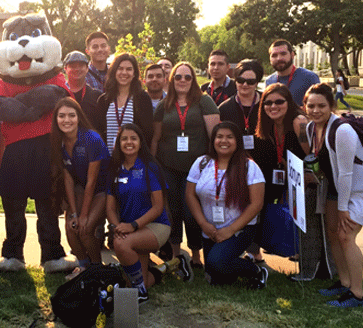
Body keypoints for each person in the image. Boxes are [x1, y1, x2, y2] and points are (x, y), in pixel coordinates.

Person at [305, 83, 363, 308]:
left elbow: (347, 173)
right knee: (333, 233)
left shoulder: (342, 130)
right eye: (311, 105)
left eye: (322, 105)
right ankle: (344, 281)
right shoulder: (311, 128)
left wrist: (343, 208)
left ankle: (357, 295)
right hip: (336, 186)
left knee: (346, 236)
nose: (316, 110)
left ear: (332, 105)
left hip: (360, 188)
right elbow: (325, 163)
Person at [150, 61, 220, 271]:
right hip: (167, 166)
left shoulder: (204, 102)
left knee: (192, 211)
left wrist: (216, 165)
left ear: (193, 80)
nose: (182, 81)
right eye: (178, 77)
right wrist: (152, 167)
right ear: (171, 80)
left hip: (197, 169)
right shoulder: (164, 104)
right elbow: (155, 138)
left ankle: (196, 252)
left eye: (187, 77)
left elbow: (215, 136)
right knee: (172, 210)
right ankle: (175, 254)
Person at [185, 121, 267, 288]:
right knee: (217, 278)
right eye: (219, 137)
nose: (224, 141)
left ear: (238, 141)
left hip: (239, 229)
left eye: (230, 137)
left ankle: (257, 272)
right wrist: (203, 224)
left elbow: (256, 204)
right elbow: (190, 195)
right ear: (213, 140)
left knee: (217, 264)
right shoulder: (201, 163)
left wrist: (230, 230)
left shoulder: (249, 166)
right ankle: (227, 263)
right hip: (210, 229)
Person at [107, 124, 170, 302]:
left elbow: (158, 207)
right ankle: (170, 267)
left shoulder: (150, 167)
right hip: (129, 230)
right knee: (136, 281)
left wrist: (133, 226)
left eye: (133, 138)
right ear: (118, 143)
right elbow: (110, 208)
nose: (129, 142)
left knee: (121, 245)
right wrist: (115, 227)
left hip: (155, 226)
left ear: (141, 143)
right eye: (124, 139)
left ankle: (141, 293)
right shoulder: (114, 169)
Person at [50, 97, 109, 280]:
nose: (66, 120)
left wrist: (83, 215)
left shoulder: (91, 138)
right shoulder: (58, 140)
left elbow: (93, 181)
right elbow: (67, 178)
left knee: (85, 228)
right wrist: (74, 213)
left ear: (78, 117)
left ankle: (97, 270)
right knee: (71, 227)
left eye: (71, 115)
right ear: (56, 119)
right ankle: (83, 267)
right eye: (61, 116)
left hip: (102, 189)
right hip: (80, 187)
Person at [248, 83, 308, 262]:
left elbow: (312, 154)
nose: (273, 106)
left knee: (301, 217)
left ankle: (306, 257)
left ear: (289, 102)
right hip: (281, 176)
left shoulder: (300, 122)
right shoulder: (267, 125)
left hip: (303, 178)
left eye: (279, 102)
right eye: (268, 103)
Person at [97, 53, 155, 154]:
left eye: (129, 69)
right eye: (120, 68)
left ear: (134, 74)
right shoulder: (104, 100)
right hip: (108, 160)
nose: (124, 72)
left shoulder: (142, 99)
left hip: (133, 160)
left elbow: (147, 133)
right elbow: (99, 132)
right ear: (114, 71)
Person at [265, 39, 320, 106]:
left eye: (283, 54)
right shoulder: (269, 81)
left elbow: (319, 107)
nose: (279, 58)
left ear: (292, 55)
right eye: (274, 55)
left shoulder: (309, 78)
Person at [218, 59, 264, 138]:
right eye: (240, 80)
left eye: (250, 81)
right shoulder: (224, 109)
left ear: (257, 83)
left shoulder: (268, 103)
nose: (245, 84)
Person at [63, 51, 103, 130]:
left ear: (87, 69)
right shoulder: (59, 94)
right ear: (65, 69)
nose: (77, 69)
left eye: (81, 66)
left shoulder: (97, 96)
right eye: (73, 66)